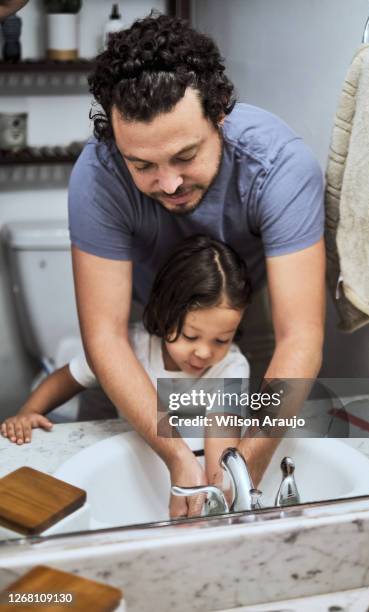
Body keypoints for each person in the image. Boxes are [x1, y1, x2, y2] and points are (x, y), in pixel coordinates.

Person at [68, 12, 326, 517]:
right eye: (142, 165)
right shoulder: (97, 175)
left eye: (185, 156)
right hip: (141, 330)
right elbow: (104, 337)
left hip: (239, 325)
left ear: (220, 117)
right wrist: (176, 459)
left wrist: (242, 464)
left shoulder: (280, 168)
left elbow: (301, 337)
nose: (167, 183)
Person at [1, 235, 251, 516]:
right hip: (133, 464)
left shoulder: (231, 368)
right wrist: (30, 410)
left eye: (222, 340)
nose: (204, 353)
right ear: (165, 313)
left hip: (190, 470)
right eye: (191, 336)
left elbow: (221, 453)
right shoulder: (128, 350)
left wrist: (215, 498)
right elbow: (67, 378)